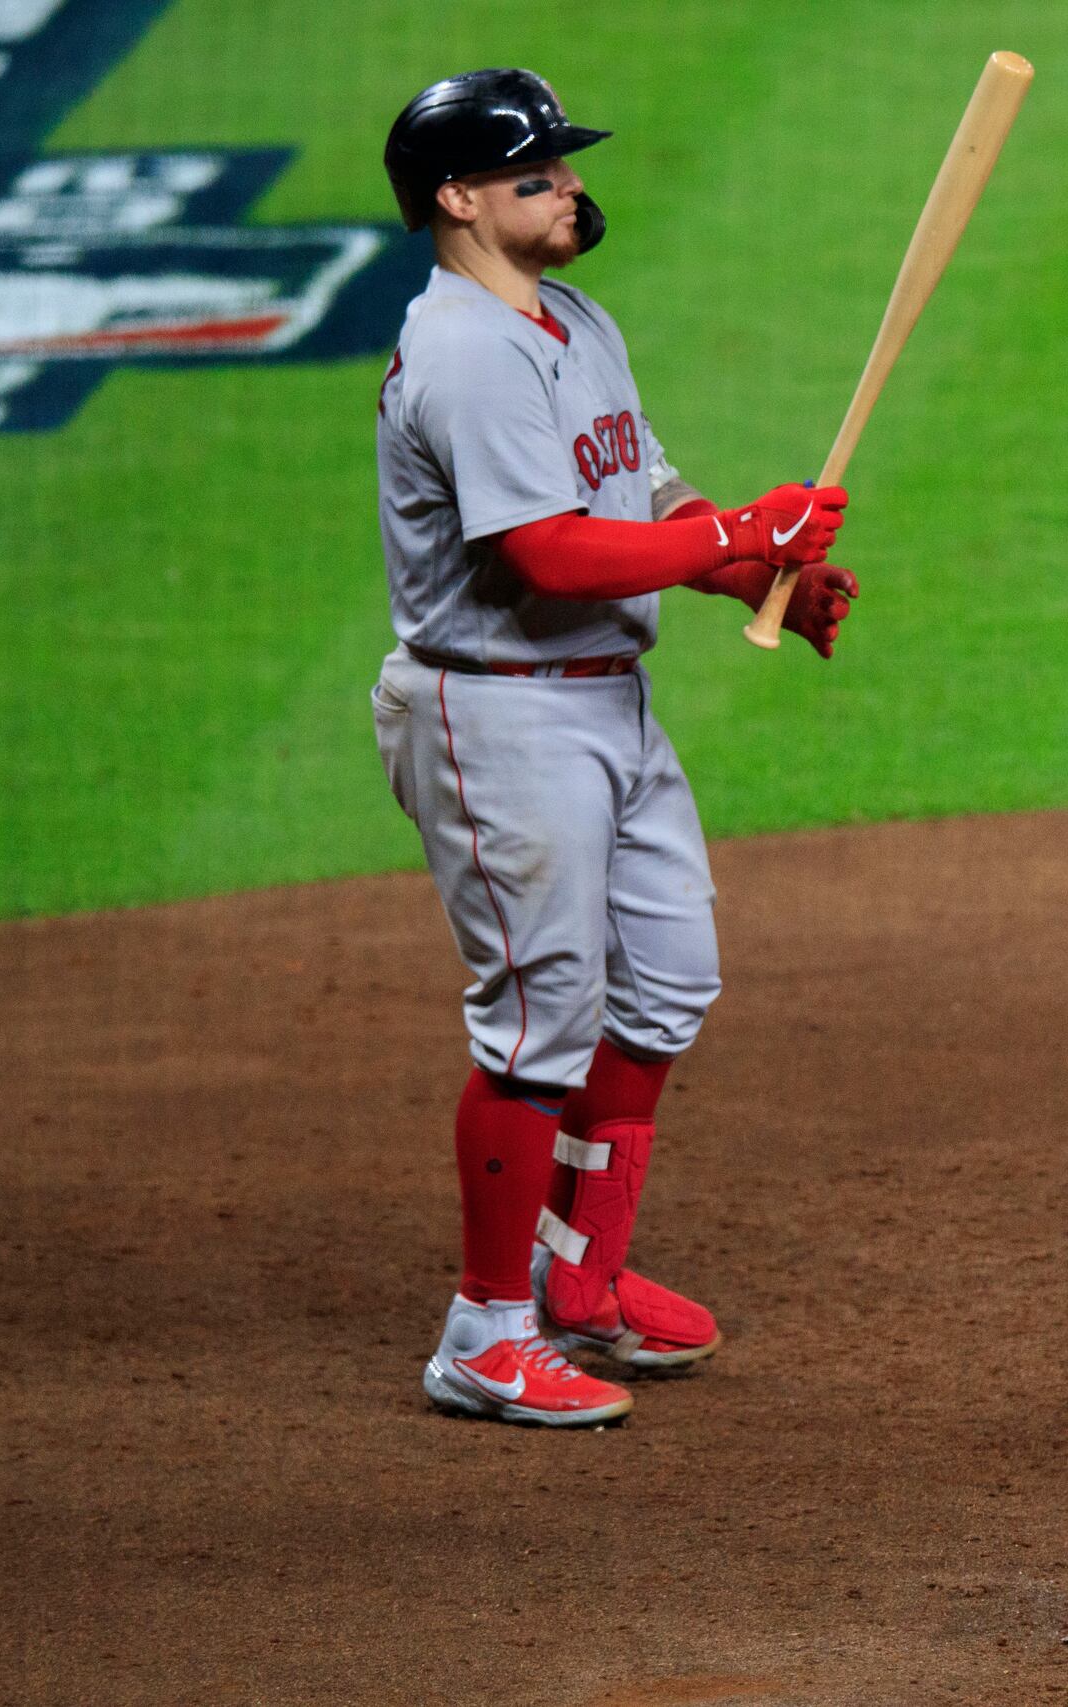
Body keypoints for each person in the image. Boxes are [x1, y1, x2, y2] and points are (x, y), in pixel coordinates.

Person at [370, 69, 856, 1427]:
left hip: (601, 705)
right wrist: (732, 537)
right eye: (538, 175)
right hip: (497, 712)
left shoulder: (572, 320)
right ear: (459, 201)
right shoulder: (464, 350)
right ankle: (485, 1331)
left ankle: (580, 1284)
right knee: (539, 1025)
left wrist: (760, 572)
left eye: (566, 167)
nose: (572, 187)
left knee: (663, 989)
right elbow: (544, 551)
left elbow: (636, 490)